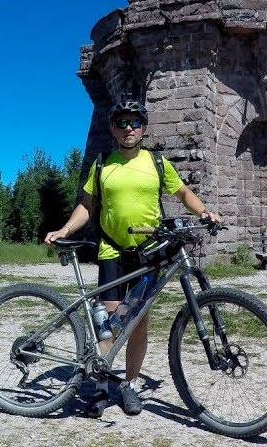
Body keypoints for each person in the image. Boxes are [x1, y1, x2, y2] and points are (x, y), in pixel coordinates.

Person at [43, 100, 219, 418]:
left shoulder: (157, 163)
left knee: (138, 324)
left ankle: (130, 385)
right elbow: (86, 206)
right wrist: (65, 227)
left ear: (144, 128)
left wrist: (204, 210)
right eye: (122, 123)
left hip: (147, 253)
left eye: (134, 123)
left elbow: (183, 194)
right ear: (113, 129)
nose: (128, 128)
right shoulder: (102, 164)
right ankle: (100, 386)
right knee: (111, 326)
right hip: (112, 251)